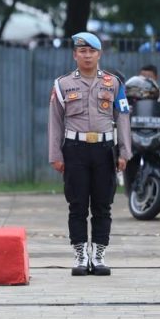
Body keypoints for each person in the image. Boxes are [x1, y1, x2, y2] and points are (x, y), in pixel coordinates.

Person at [48, 32, 132, 276]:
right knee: (77, 205)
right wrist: (56, 155)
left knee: (103, 205)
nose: (87, 55)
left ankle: (99, 254)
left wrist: (124, 151)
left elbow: (123, 117)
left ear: (99, 54)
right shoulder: (62, 84)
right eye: (82, 51)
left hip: (104, 150)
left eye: (92, 51)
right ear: (75, 55)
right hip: (75, 150)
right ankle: (80, 255)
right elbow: (55, 122)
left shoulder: (113, 83)